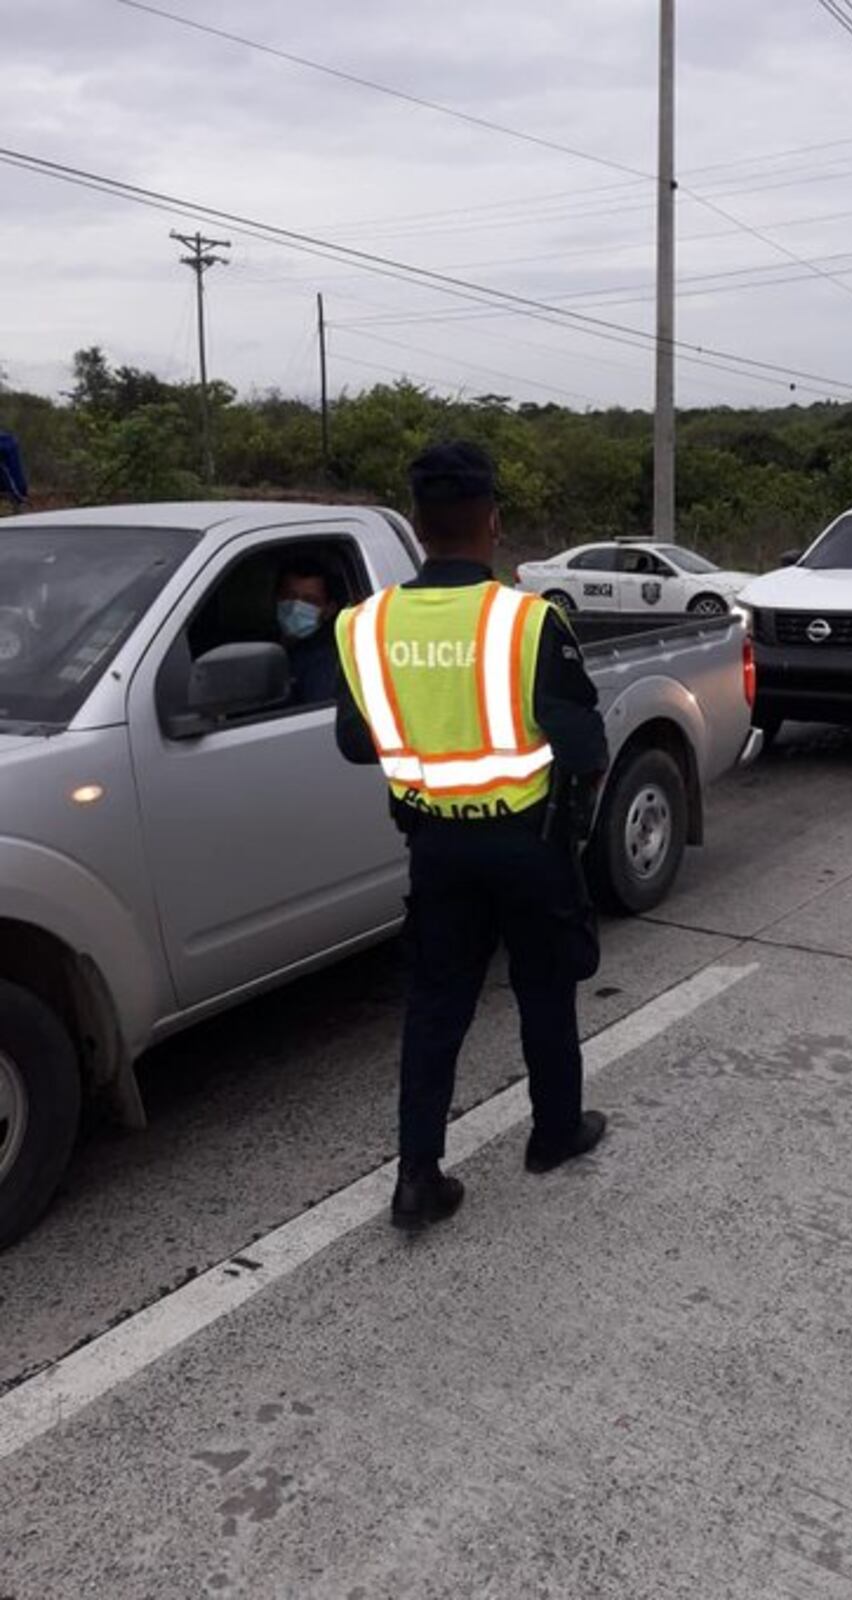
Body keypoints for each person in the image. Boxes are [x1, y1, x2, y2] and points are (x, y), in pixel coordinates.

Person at [334, 442, 610, 1231]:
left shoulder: (362, 626)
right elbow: (584, 748)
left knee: (435, 1008)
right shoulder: (527, 621)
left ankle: (417, 1179)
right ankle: (554, 1135)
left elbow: (354, 742)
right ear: (493, 522)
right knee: (544, 990)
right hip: (528, 845)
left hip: (436, 848)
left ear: (418, 526)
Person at [276, 559, 339, 704]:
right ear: (277, 597)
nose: (296, 607)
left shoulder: (325, 662)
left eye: (309, 601)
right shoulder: (264, 642)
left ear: (329, 609)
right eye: (289, 596)